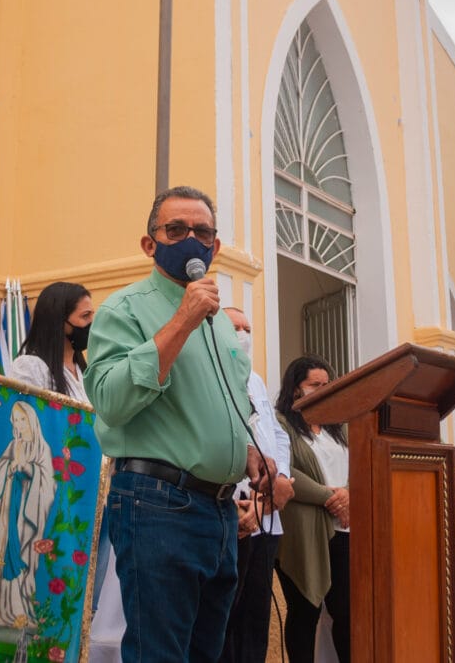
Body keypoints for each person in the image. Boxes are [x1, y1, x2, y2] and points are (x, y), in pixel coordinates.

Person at [83, 186, 268, 662]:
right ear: (150, 243)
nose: (190, 238)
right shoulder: (123, 310)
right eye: (176, 229)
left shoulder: (222, 323)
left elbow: (225, 404)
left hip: (222, 512)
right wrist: (182, 321)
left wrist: (247, 455)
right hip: (158, 505)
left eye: (202, 231)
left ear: (215, 246)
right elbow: (109, 400)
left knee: (207, 654)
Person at [220, 307, 295, 663]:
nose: (243, 333)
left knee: (256, 615)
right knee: (225, 617)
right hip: (235, 510)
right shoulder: (212, 374)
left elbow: (278, 435)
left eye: (248, 327)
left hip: (267, 516)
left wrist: (280, 478)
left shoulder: (257, 379)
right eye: (235, 326)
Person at [274, 356, 350, 663]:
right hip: (304, 532)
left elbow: (358, 463)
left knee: (346, 612)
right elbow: (285, 468)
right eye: (314, 384)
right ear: (295, 389)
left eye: (326, 384)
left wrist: (349, 495)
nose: (323, 389)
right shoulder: (281, 423)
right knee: (305, 610)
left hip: (344, 529)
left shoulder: (338, 425)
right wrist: (328, 497)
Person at [0, 401, 56, 627]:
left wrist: (29, 469)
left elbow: (48, 483)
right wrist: (8, 468)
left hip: (25, 515)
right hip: (5, 511)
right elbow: (0, 467)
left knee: (21, 555)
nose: (18, 424)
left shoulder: (42, 448)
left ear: (31, 419)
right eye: (15, 419)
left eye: (22, 419)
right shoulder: (13, 445)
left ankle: (19, 611)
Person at [9, 281, 93, 404]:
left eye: (92, 315)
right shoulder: (31, 367)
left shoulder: (83, 370)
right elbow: (25, 416)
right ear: (59, 321)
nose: (92, 323)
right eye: (85, 316)